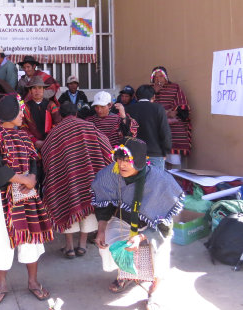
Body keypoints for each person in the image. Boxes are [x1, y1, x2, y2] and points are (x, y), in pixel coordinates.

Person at [0, 95, 54, 305]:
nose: (22, 115)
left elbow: (34, 161)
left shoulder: (24, 137)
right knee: (2, 242)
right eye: (19, 111)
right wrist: (24, 179)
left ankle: (33, 282)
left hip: (27, 196)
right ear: (8, 113)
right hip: (3, 199)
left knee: (31, 241)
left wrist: (33, 178)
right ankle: (2, 285)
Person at [91, 137, 184, 310]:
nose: (122, 165)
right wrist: (101, 229)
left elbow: (165, 226)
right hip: (125, 220)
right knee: (107, 244)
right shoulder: (111, 174)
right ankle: (125, 273)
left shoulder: (159, 181)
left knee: (159, 257)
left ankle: (155, 287)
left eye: (127, 161)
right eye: (119, 160)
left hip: (153, 227)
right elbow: (104, 204)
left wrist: (141, 237)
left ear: (140, 162)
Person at [42, 102, 112, 259]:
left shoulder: (55, 132)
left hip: (65, 177)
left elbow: (46, 153)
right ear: (77, 112)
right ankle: (82, 245)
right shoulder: (89, 127)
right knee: (87, 210)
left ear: (60, 115)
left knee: (67, 206)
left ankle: (69, 247)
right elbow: (106, 147)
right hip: (88, 176)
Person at [150, 66, 191, 167]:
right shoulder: (149, 90)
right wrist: (154, 92)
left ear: (166, 77)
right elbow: (146, 106)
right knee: (157, 161)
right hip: (156, 125)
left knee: (174, 161)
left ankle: (176, 179)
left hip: (173, 127)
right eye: (156, 77)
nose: (158, 79)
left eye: (160, 76)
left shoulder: (175, 87)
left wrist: (174, 112)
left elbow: (182, 106)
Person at [126, 85, 172, 170]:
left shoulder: (129, 109)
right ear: (153, 96)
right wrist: (166, 151)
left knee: (138, 182)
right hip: (155, 154)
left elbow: (126, 132)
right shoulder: (158, 108)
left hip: (135, 154)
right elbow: (165, 132)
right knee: (155, 181)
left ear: (136, 97)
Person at [21, 76, 61, 150]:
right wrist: (35, 141)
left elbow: (57, 124)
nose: (37, 91)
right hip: (31, 145)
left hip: (51, 143)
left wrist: (46, 140)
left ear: (43, 90)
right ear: (30, 91)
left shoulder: (51, 105)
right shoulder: (25, 107)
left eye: (40, 88)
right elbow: (23, 127)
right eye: (34, 88)